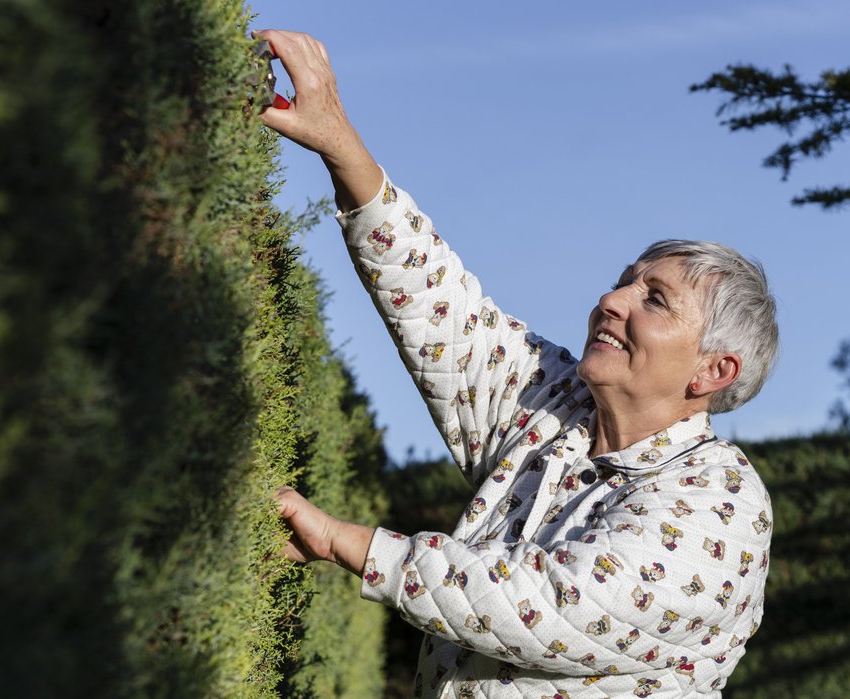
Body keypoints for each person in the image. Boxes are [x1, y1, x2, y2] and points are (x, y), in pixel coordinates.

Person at [256, 29, 779, 698]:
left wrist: (346, 543)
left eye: (653, 299)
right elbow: (441, 311)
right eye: (624, 279)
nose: (611, 299)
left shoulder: (720, 505)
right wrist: (339, 143)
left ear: (711, 372)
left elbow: (551, 603)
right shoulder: (557, 409)